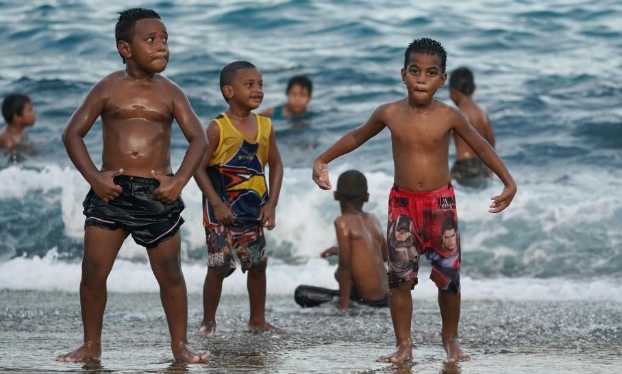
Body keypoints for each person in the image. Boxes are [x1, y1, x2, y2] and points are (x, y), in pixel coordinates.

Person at [312, 38, 517, 364]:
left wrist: (508, 181)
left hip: (441, 205)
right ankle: (404, 344)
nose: (422, 78)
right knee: (399, 280)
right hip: (403, 206)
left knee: (448, 280)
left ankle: (450, 339)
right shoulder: (389, 113)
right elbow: (356, 135)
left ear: (443, 79)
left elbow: (481, 147)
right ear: (403, 74)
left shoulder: (450, 116)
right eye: (415, 71)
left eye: (431, 72)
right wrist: (323, 159)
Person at [56, 8, 209, 363]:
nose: (162, 47)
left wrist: (179, 183)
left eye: (165, 40)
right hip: (111, 191)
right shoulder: (108, 88)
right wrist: (95, 178)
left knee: (171, 274)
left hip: (158, 195)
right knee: (92, 270)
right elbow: (72, 134)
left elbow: (198, 139)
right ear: (125, 48)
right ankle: (91, 345)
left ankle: (180, 347)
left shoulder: (172, 93)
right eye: (151, 40)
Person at [194, 60, 284, 336]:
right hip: (221, 214)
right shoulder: (217, 128)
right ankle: (208, 322)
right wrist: (217, 204)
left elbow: (277, 165)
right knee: (218, 265)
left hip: (252, 212)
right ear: (229, 91)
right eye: (250, 85)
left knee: (258, 264)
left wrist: (271, 205)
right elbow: (197, 168)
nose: (258, 90)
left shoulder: (265, 125)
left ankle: (257, 320)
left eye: (260, 85)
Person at [294, 170, 389, 310]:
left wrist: (343, 307)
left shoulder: (342, 222)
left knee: (302, 293)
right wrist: (339, 251)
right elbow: (385, 256)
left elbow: (345, 269)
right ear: (367, 197)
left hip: (367, 301)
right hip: (386, 298)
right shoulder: (373, 219)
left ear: (335, 195)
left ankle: (347, 303)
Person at [449, 67, 495, 188]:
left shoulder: (455, 114)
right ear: (474, 88)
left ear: (453, 92)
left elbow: (443, 144)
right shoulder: (483, 113)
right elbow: (491, 142)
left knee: (457, 200)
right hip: (481, 165)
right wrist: (490, 170)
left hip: (462, 165)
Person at [0, 93, 37, 161]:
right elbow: (12, 163)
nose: (34, 113)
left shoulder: (21, 131)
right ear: (16, 117)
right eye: (30, 110)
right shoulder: (9, 140)